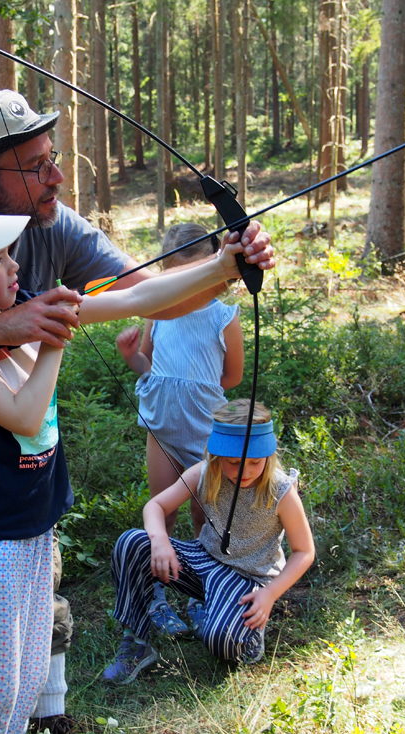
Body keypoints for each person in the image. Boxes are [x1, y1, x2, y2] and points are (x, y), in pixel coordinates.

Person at [0, 90, 276, 734]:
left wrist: (225, 266)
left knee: (33, 583)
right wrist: (12, 327)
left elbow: (147, 297)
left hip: (13, 441)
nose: (58, 177)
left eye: (54, 158)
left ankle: (46, 715)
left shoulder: (51, 226)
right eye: (37, 164)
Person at [0, 196, 246, 732]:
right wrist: (54, 338)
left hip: (34, 528)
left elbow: (145, 295)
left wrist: (223, 266)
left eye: (10, 255)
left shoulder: (29, 309)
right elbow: (23, 413)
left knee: (25, 676)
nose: (15, 266)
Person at [102, 399, 315, 684]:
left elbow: (304, 551)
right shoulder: (204, 473)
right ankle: (137, 643)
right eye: (234, 462)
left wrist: (271, 593)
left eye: (255, 462)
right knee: (132, 542)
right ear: (217, 455)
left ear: (268, 455)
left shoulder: (280, 490)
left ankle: (245, 637)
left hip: (248, 578)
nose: (246, 471)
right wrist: (160, 541)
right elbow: (155, 507)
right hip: (203, 560)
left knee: (221, 642)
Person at [115, 222, 244, 637]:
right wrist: (132, 355)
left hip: (206, 430)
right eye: (174, 278)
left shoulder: (223, 315)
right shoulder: (159, 313)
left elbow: (232, 377)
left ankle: (200, 593)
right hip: (162, 427)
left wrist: (193, 387)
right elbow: (147, 366)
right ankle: (156, 600)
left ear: (211, 267)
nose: (183, 288)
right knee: (163, 509)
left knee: (205, 515)